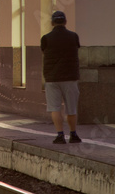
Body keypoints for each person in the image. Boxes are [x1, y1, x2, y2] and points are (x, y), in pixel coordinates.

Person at [41, 10, 81, 144]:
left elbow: (43, 52)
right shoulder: (73, 36)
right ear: (65, 22)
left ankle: (60, 135)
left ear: (52, 22)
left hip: (52, 78)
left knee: (55, 108)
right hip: (70, 77)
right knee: (72, 108)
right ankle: (73, 135)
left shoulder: (46, 38)